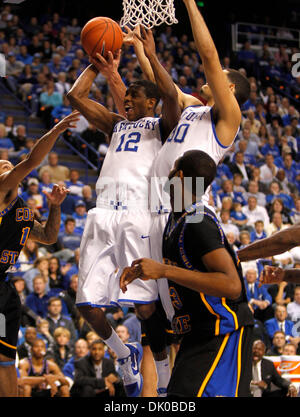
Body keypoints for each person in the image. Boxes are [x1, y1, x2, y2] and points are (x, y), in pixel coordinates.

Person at [125, 0, 250, 394]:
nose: (206, 76)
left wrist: (191, 2)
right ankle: (166, 383)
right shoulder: (194, 108)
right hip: (161, 212)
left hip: (189, 214)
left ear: (228, 88)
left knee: (190, 310)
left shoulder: (226, 116)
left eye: (218, 76)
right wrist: (147, 53)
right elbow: (165, 87)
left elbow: (209, 54)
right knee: (161, 312)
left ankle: (176, 386)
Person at [67, 28, 180, 397]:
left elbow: (169, 95)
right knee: (86, 304)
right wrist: (97, 62)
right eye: (125, 96)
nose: (126, 99)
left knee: (147, 310)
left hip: (137, 215)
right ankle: (122, 355)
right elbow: (76, 96)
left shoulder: (164, 125)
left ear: (152, 103)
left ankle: (162, 383)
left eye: (134, 96)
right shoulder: (116, 124)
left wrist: (149, 56)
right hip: (102, 214)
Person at [120, 150, 254, 397]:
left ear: (179, 176)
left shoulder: (198, 222)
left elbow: (232, 284)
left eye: (172, 170)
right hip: (199, 332)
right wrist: (144, 272)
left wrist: (163, 270)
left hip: (223, 330)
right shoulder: (176, 219)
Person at [0, 111, 79, 397]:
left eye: (9, 164)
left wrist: (55, 206)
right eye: (2, 166)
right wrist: (56, 129)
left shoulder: (21, 209)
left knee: (7, 360)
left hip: (5, 289)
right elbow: (32, 161)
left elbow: (49, 236)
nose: (7, 167)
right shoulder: (0, 192)